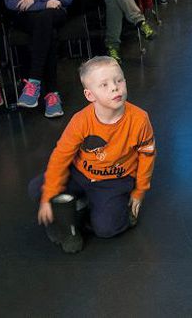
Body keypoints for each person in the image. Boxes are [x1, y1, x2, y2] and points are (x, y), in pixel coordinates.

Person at [28, 56, 156, 253]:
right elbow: (60, 157)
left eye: (119, 80)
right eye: (104, 85)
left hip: (116, 180)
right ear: (90, 95)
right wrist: (49, 195)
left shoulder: (140, 119)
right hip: (80, 174)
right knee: (38, 187)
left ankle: (89, 208)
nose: (114, 88)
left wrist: (139, 192)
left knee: (106, 229)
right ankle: (66, 221)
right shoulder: (80, 121)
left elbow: (147, 156)